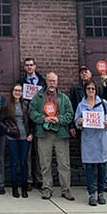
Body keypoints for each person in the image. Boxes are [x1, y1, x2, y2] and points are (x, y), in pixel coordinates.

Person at [29, 72, 74, 201]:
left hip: (60, 134)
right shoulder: (38, 97)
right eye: (50, 81)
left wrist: (59, 119)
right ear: (46, 81)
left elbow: (70, 114)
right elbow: (31, 112)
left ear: (57, 82)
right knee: (45, 163)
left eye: (54, 81)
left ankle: (66, 189)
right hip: (44, 134)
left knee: (64, 163)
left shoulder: (64, 98)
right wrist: (43, 119)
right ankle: (46, 188)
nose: (52, 83)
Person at [69, 65, 107, 192]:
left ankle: (104, 184)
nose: (84, 74)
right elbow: (72, 106)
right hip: (87, 132)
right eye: (81, 72)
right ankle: (91, 187)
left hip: (100, 134)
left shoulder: (101, 95)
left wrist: (104, 83)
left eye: (86, 72)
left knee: (103, 160)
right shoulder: (76, 90)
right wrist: (75, 124)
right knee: (88, 161)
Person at [75, 80, 107, 206]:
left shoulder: (103, 103)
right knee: (89, 168)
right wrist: (79, 122)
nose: (91, 91)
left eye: (93, 88)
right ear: (85, 90)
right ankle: (91, 194)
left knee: (102, 167)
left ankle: (101, 193)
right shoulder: (81, 105)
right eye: (88, 88)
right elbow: (76, 121)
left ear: (96, 90)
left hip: (101, 139)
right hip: (88, 140)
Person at [0, 83, 34, 198]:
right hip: (12, 137)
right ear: (12, 92)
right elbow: (1, 121)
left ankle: (24, 188)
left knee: (24, 162)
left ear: (22, 93)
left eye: (19, 91)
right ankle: (14, 188)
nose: (17, 92)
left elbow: (30, 121)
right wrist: (8, 130)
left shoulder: (26, 105)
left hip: (25, 137)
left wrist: (31, 133)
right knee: (14, 162)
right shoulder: (6, 105)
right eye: (15, 90)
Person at [20, 57, 45, 190]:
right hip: (26, 121)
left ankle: (40, 179)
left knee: (40, 152)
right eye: (27, 65)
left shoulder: (42, 81)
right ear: (25, 68)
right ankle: (28, 179)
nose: (29, 67)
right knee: (27, 154)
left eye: (31, 65)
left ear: (35, 66)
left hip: (40, 121)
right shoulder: (20, 82)